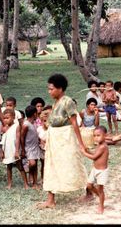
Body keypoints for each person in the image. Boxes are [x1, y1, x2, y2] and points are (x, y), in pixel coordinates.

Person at [36, 73, 87, 209]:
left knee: (73, 164)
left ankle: (89, 191)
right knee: (51, 167)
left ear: (60, 88)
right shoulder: (55, 103)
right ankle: (50, 200)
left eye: (51, 89)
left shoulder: (67, 101)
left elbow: (74, 123)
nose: (49, 91)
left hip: (66, 138)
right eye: (48, 88)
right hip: (54, 139)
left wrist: (81, 144)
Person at [80, 125, 109, 214]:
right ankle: (101, 196)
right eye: (94, 136)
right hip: (95, 169)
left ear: (105, 136)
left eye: (98, 135)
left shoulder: (103, 146)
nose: (96, 138)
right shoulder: (99, 145)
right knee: (89, 185)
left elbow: (94, 157)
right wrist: (87, 150)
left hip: (102, 172)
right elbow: (95, 155)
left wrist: (84, 153)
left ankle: (101, 206)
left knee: (100, 189)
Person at [0, 108, 28, 189]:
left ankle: (25, 184)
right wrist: (2, 151)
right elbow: (2, 140)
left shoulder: (17, 126)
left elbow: (18, 138)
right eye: (4, 118)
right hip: (7, 150)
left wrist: (17, 151)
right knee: (8, 167)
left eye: (7, 118)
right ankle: (9, 184)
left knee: (20, 166)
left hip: (14, 149)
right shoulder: (4, 128)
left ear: (13, 117)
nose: (5, 120)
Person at [22, 105, 42, 189]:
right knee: (32, 164)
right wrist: (23, 149)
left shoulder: (34, 123)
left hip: (35, 146)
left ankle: (35, 183)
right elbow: (22, 137)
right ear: (34, 114)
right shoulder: (26, 125)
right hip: (29, 147)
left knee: (36, 164)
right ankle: (29, 172)